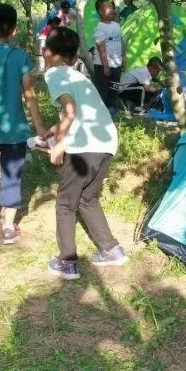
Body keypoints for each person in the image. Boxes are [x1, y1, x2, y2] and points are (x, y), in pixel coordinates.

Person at [42, 26, 127, 280]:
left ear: (48, 52)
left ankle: (67, 261)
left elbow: (69, 109)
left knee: (66, 203)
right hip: (106, 143)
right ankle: (111, 249)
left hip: (83, 148)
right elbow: (84, 111)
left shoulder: (55, 73)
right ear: (75, 54)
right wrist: (56, 128)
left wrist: (59, 144)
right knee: (87, 198)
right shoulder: (80, 76)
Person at [0, 3, 48, 245]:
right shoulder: (21, 57)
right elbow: (29, 94)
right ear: (14, 31)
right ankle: (8, 227)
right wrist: (39, 129)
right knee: (11, 174)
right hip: (15, 129)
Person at [91, 0, 125, 109]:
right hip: (103, 66)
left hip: (116, 64)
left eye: (112, 7)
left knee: (114, 89)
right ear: (100, 11)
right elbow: (101, 48)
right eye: (108, 7)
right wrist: (106, 66)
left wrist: (123, 58)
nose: (112, 10)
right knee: (103, 90)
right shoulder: (99, 27)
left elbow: (121, 42)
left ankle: (111, 110)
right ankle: (101, 112)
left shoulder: (116, 25)